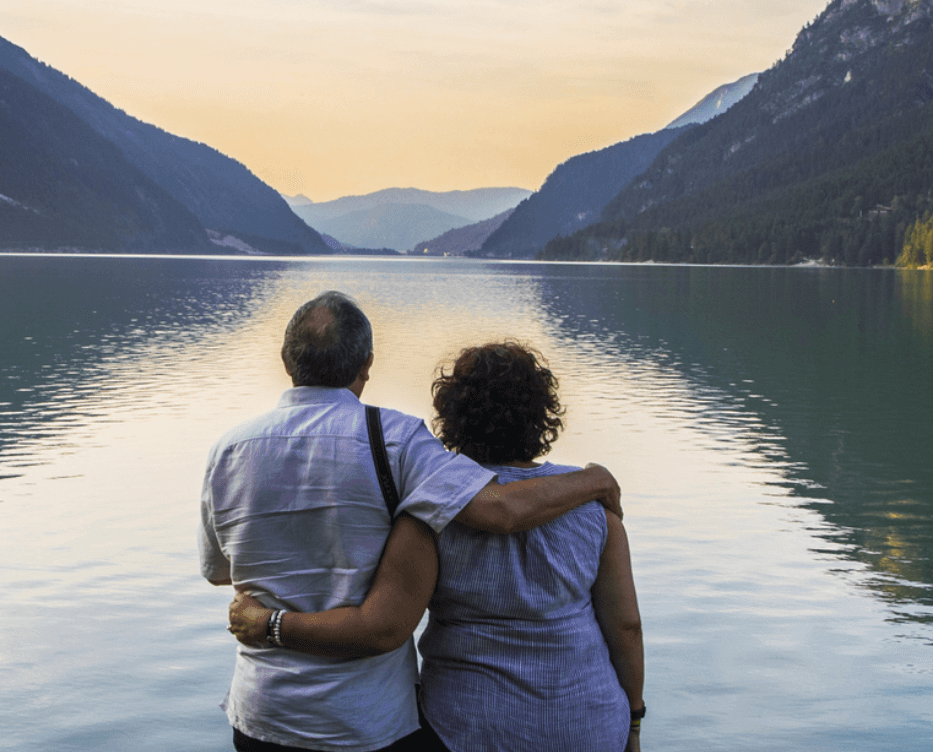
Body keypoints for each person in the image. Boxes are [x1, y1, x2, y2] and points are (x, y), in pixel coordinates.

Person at [203, 293, 625, 752]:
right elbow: (502, 509)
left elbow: (220, 571)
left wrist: (270, 617)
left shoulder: (228, 451)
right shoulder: (396, 442)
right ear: (366, 365)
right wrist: (593, 481)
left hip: (264, 714)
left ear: (286, 359)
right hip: (367, 721)